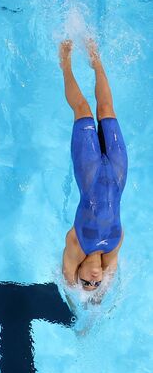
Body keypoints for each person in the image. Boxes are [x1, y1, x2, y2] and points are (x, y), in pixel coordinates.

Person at [59, 38, 127, 293]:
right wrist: (99, 300)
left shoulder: (77, 243)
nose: (94, 279)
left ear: (78, 272)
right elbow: (109, 286)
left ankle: (65, 64)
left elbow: (66, 280)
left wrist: (78, 312)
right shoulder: (114, 246)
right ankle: (96, 61)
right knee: (108, 109)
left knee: (84, 109)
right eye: (96, 284)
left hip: (89, 172)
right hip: (118, 172)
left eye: (85, 282)